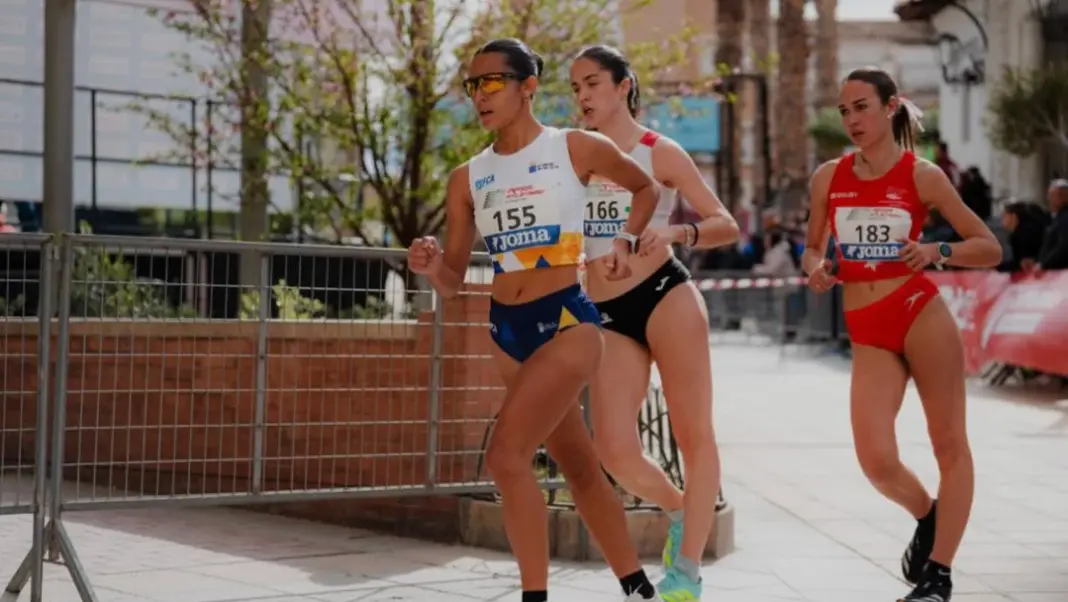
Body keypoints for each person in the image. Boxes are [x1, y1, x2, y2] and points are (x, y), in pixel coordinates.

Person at [407, 38, 664, 602]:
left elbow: (645, 188)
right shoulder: (467, 177)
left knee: (505, 457)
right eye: (473, 85)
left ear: (528, 87)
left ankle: (534, 596)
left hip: (569, 323)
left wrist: (623, 237)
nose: (481, 95)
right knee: (578, 466)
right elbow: (452, 284)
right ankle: (638, 586)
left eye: (493, 81)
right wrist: (430, 267)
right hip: (507, 330)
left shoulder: (574, 147)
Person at [803, 67, 1002, 602]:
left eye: (862, 106)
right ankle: (930, 517)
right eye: (844, 110)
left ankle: (938, 577)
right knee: (876, 459)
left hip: (919, 313)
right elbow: (812, 246)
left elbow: (989, 247)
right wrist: (818, 266)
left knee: (949, 444)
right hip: (866, 328)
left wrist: (938, 251)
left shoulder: (923, 175)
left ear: (891, 107)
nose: (852, 119)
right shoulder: (829, 176)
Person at [570, 44, 741, 600]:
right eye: (575, 88)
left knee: (694, 433)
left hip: (666, 293)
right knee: (613, 449)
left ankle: (686, 570)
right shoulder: (575, 156)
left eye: (592, 83)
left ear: (624, 86)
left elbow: (725, 223)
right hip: (609, 312)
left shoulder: (658, 151)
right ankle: (677, 511)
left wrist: (677, 233)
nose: (583, 97)